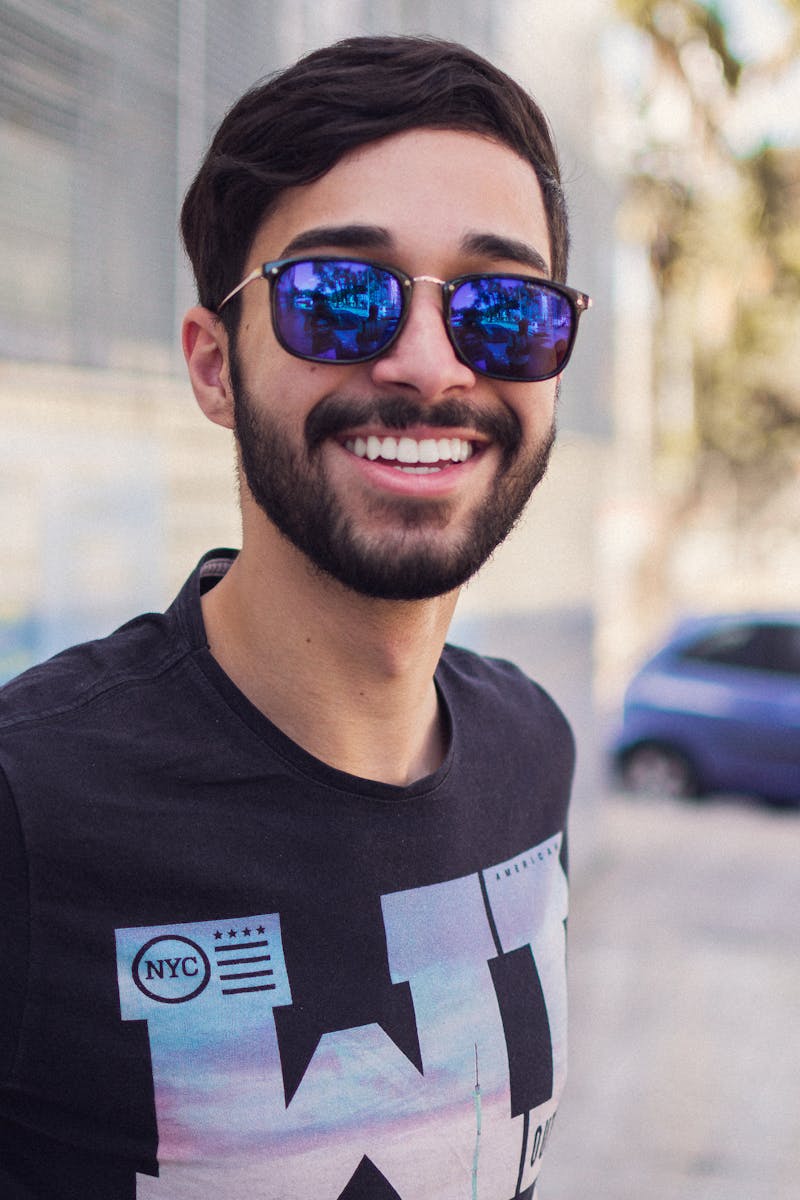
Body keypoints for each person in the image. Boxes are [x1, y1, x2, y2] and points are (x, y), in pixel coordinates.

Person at [0, 34, 591, 1200]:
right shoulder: (30, 805)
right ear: (214, 366)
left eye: (502, 307)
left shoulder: (533, 750)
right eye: (340, 297)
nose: (429, 365)